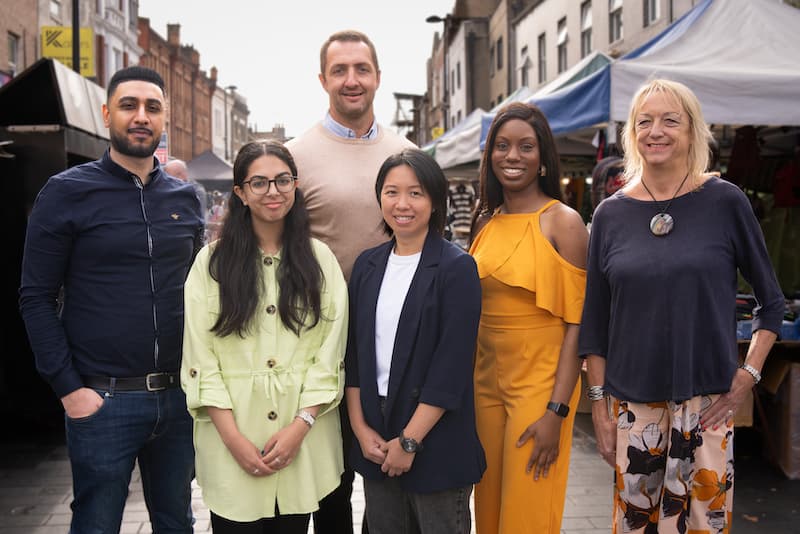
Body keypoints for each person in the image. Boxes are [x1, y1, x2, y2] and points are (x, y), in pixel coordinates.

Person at [578, 79, 784, 534]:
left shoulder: (725, 201)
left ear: (693, 131)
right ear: (631, 133)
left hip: (708, 406)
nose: (656, 131)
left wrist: (747, 377)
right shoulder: (610, 215)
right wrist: (599, 411)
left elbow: (771, 303)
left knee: (704, 527)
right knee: (636, 527)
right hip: (634, 409)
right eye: (644, 121)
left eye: (670, 120)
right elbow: (594, 324)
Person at [18, 65, 204, 533]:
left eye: (152, 107)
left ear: (164, 118)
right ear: (106, 115)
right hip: (102, 400)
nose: (141, 116)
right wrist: (69, 389)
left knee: (177, 523)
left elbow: (203, 294)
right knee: (96, 525)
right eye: (128, 106)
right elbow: (35, 298)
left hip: (179, 401)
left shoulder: (185, 199)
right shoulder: (66, 192)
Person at [180, 140, 348, 532]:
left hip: (302, 439)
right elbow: (200, 359)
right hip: (231, 436)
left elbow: (330, 353)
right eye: (259, 182)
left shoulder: (320, 260)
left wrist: (300, 426)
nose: (273, 191)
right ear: (240, 192)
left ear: (295, 185)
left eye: (282, 180)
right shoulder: (211, 264)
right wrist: (234, 441)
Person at [286, 29, 415, 533]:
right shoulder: (295, 157)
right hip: (320, 344)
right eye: (339, 70)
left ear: (378, 77)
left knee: (393, 473)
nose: (351, 80)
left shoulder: (407, 154)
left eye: (361, 69)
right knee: (330, 484)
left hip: (395, 344)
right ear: (323, 80)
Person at [345, 149, 485, 534]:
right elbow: (354, 356)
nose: (402, 204)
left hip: (436, 434)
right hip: (376, 432)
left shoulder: (457, 268)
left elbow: (451, 367)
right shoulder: (367, 265)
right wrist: (360, 429)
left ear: (435, 200)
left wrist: (409, 441)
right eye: (392, 192)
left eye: (416, 193)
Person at [468, 102, 589, 534]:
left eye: (525, 146)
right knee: (488, 512)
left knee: (528, 516)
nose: (512, 156)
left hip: (540, 389)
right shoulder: (484, 220)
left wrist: (557, 411)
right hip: (485, 386)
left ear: (543, 158)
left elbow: (579, 324)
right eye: (502, 146)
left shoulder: (564, 222)